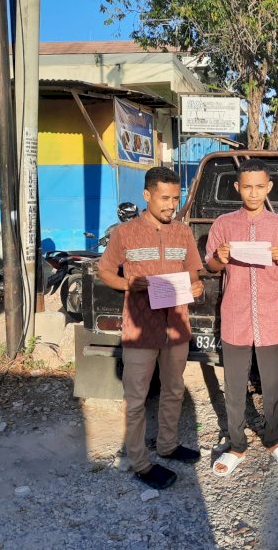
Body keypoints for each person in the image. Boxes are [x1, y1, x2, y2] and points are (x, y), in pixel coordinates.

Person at [98, 166, 205, 490]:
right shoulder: (124, 233)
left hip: (176, 327)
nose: (171, 205)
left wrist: (197, 286)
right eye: (164, 198)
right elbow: (105, 272)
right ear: (147, 196)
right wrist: (130, 283)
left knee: (174, 390)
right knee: (136, 399)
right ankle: (140, 462)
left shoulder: (183, 233)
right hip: (140, 330)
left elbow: (193, 274)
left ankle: (168, 445)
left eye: (175, 198)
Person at [205, 158, 278, 476]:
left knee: (273, 385)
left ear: (269, 187)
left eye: (259, 186)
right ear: (237, 188)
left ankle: (273, 438)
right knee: (234, 387)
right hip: (235, 317)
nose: (253, 192)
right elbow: (211, 265)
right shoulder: (223, 224)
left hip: (271, 317)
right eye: (247, 186)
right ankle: (236, 445)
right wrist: (219, 258)